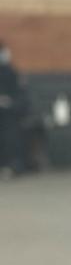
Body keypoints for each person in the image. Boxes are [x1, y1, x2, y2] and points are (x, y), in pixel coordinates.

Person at [0, 38, 22, 177]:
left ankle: (11, 165)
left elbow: (20, 94)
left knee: (10, 129)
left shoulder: (10, 71)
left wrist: (9, 101)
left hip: (9, 111)